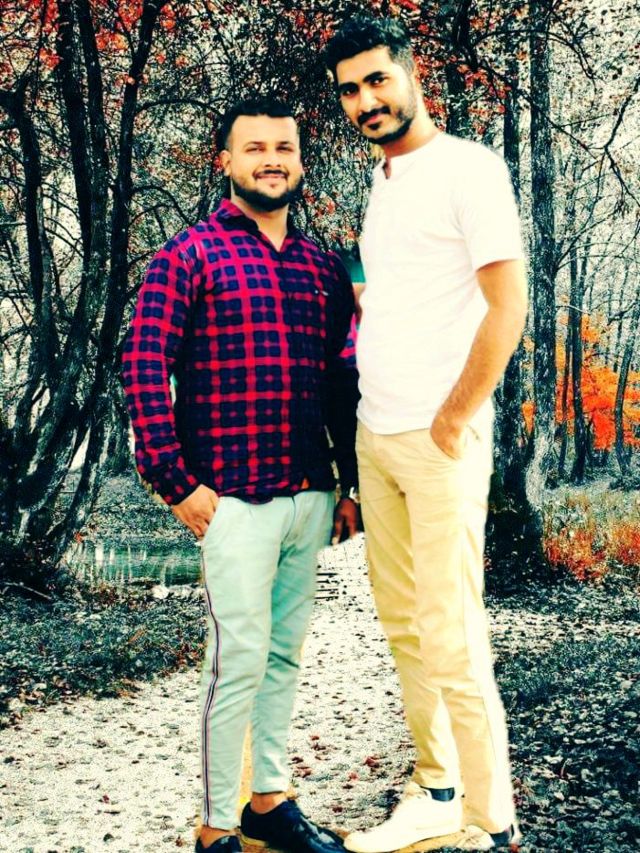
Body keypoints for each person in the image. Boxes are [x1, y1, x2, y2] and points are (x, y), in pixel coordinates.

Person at [122, 97, 359, 853]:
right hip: (229, 498)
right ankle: (216, 826)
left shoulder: (322, 267)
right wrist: (175, 482)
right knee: (238, 661)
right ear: (225, 161)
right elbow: (143, 366)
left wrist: (349, 484)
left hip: (309, 492)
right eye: (255, 148)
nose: (272, 160)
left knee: (284, 654)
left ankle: (269, 801)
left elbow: (343, 379)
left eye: (284, 148)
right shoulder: (187, 256)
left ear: (300, 160)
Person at [325, 16, 528, 853]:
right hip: (377, 436)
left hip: (438, 442)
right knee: (406, 625)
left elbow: (508, 305)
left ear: (411, 72)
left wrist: (454, 416)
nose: (366, 100)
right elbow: (395, 294)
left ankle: (491, 820)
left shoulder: (468, 169)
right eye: (350, 90)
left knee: (452, 630)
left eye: (377, 79)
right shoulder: (382, 182)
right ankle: (437, 790)